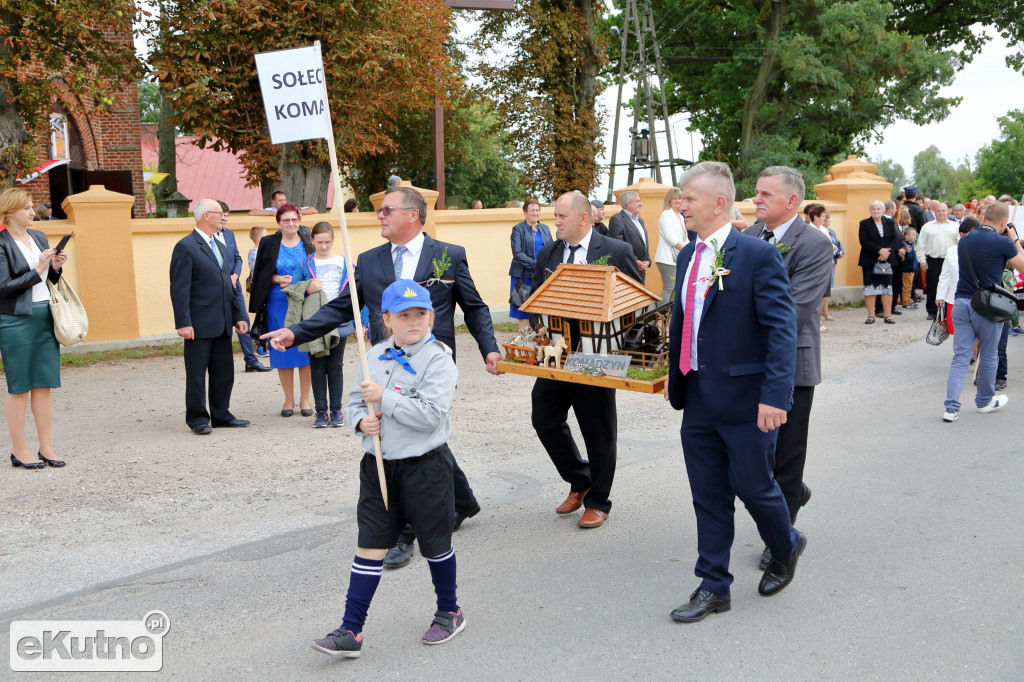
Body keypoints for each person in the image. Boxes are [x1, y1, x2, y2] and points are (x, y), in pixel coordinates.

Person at [264, 185, 499, 567]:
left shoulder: (449, 256)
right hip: (385, 366)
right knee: (408, 435)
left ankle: (404, 533)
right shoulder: (370, 261)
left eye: (387, 210)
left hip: (430, 366)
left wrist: (489, 347)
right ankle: (462, 501)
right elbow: (343, 306)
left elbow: (473, 307)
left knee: (413, 434)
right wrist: (297, 333)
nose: (380, 216)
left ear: (413, 214)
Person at [667, 162, 804, 623]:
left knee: (755, 488)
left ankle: (786, 546)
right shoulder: (688, 256)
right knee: (707, 494)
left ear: (719, 203)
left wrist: (775, 397)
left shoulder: (756, 255)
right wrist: (675, 372)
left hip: (748, 400)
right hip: (699, 395)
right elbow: (686, 322)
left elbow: (781, 332)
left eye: (689, 198)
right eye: (681, 198)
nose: (681, 204)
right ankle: (713, 586)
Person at [311, 279, 465, 658]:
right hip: (378, 467)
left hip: (425, 468)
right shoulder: (373, 355)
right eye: (404, 315)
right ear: (387, 319)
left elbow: (431, 416)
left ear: (431, 316)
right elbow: (353, 404)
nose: (413, 322)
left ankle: (450, 611)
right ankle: (351, 630)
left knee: (434, 544)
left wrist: (388, 398)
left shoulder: (439, 360)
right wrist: (361, 422)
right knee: (369, 546)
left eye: (420, 314)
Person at [528, 192, 641, 529]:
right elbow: (535, 297)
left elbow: (634, 298)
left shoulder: (616, 251)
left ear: (582, 217)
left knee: (599, 430)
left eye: (561, 216)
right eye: (555, 216)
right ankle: (580, 478)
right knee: (544, 418)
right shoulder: (548, 252)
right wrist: (540, 330)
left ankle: (598, 501)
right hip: (558, 353)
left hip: (598, 355)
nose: (556, 222)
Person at [745, 166, 833, 570]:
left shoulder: (814, 244)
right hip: (746, 365)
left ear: (792, 202)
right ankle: (791, 494)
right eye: (756, 193)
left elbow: (794, 311)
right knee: (751, 455)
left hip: (791, 364)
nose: (756, 199)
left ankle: (781, 535)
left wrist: (736, 326)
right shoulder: (747, 238)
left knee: (786, 454)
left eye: (765, 194)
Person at [169, 199, 250, 435]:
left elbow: (229, 284)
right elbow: (179, 288)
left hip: (223, 320)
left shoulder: (221, 246)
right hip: (199, 322)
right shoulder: (186, 246)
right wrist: (183, 322)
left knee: (224, 372)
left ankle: (221, 414)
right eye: (219, 213)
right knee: (196, 374)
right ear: (206, 216)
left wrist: (238, 315)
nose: (223, 216)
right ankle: (197, 419)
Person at [0, 188, 68, 468]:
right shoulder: (1, 243)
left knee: (44, 384)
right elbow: (4, 288)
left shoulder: (38, 236)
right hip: (14, 320)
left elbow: (46, 279)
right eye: (27, 208)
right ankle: (19, 449)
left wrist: (55, 268)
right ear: (10, 211)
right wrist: (40, 268)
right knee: (20, 387)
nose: (33, 212)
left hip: (43, 315)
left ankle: (46, 447)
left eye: (32, 207)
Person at [942, 203, 1024, 422]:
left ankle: (950, 408)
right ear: (1002, 222)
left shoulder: (965, 240)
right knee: (988, 354)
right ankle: (984, 401)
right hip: (987, 305)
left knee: (960, 357)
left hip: (961, 302)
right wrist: (1014, 238)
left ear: (984, 217)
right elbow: (1023, 265)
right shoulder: (1003, 242)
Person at [249, 203, 314, 417]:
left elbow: (316, 270)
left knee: (304, 349)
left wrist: (300, 283)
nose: (290, 223)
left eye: (294, 219)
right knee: (282, 348)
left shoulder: (308, 241)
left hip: (304, 300)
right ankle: (288, 400)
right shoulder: (268, 243)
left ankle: (305, 400)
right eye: (285, 220)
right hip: (277, 301)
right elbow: (258, 274)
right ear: (278, 222)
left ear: (299, 220)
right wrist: (276, 278)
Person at [305, 222, 352, 428]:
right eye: (319, 242)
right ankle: (321, 412)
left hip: (339, 319)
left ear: (332, 241)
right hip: (315, 321)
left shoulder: (345, 262)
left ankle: (336, 411)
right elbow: (295, 291)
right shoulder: (304, 264)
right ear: (312, 241)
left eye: (327, 242)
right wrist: (308, 288)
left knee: (335, 365)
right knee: (317, 366)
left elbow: (357, 292)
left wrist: (363, 320)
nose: (323, 246)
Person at [216, 201, 268, 373]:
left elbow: (237, 258)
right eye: (222, 214)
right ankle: (220, 363)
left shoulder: (229, 234)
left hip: (234, 286)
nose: (225, 218)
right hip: (216, 287)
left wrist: (235, 275)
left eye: (227, 215)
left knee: (243, 321)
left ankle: (251, 360)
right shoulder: (207, 237)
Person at [509, 199, 552, 331]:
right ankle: (524, 341)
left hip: (541, 276)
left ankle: (539, 342)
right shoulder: (518, 229)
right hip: (522, 275)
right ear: (525, 212)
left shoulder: (545, 229)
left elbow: (551, 248)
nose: (535, 213)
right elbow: (517, 252)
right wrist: (536, 265)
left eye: (537, 210)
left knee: (540, 309)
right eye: (532, 210)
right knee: (522, 310)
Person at [858, 200, 902, 324]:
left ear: (882, 210)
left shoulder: (890, 222)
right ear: (870, 211)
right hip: (870, 260)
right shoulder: (864, 224)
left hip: (887, 260)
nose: (876, 211)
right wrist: (879, 251)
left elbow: (896, 239)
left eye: (878, 209)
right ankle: (871, 316)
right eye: (873, 209)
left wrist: (886, 252)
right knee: (870, 288)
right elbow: (864, 241)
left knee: (887, 288)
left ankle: (888, 316)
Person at [936, 218, 980, 338]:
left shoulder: (982, 250)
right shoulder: (951, 251)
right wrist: (940, 296)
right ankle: (962, 354)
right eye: (971, 233)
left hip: (977, 297)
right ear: (962, 234)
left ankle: (974, 353)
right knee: (956, 330)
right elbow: (945, 275)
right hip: (954, 296)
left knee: (976, 329)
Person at [919, 201, 960, 320]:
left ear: (948, 211)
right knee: (932, 285)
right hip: (933, 260)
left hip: (951, 260)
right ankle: (932, 311)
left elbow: (960, 244)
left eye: (943, 210)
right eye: (938, 210)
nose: (941, 212)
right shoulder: (927, 227)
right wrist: (922, 260)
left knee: (950, 285)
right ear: (934, 212)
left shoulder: (955, 226)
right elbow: (921, 245)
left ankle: (948, 310)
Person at [607, 190, 651, 283]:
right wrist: (634, 260)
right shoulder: (617, 219)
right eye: (638, 201)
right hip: (627, 270)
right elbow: (617, 245)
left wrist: (647, 260)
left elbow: (643, 242)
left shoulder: (640, 220)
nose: (641, 204)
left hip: (641, 270)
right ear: (629, 203)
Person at [655, 187, 687, 300]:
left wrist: (689, 248)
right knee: (669, 287)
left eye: (680, 198)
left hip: (677, 256)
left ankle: (670, 315)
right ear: (669, 201)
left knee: (675, 288)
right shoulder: (666, 214)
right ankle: (660, 315)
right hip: (666, 258)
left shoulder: (680, 216)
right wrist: (684, 249)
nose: (678, 201)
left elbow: (684, 237)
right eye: (675, 199)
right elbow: (670, 237)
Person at [248, 190, 317, 216]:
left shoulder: (291, 208)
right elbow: (252, 212)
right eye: (280, 200)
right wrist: (273, 214)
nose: (283, 202)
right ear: (273, 202)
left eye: (284, 200)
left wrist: (297, 211)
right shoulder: (271, 210)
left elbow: (314, 210)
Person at [900, 225, 919, 309]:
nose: (915, 237)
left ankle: (908, 299)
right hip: (907, 268)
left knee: (909, 286)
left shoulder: (911, 245)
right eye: (913, 235)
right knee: (907, 287)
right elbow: (909, 258)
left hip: (911, 268)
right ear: (907, 236)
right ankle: (906, 302)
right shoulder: (907, 246)